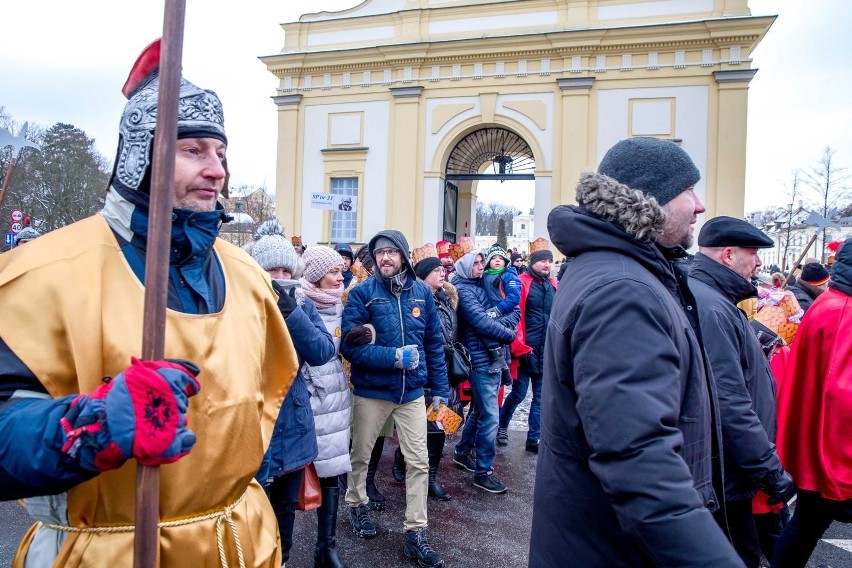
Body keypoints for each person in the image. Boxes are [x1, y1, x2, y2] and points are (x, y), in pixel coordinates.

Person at [0, 39, 297, 566]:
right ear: (140, 156)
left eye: (221, 154)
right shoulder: (44, 275)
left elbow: (263, 403)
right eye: (193, 150)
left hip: (240, 543)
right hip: (105, 549)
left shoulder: (247, 275)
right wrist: (89, 427)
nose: (217, 171)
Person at [530, 137, 743, 566]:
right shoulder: (623, 289)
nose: (699, 206)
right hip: (612, 546)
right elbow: (639, 456)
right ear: (652, 199)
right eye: (688, 191)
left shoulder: (616, 268)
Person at [688, 216, 795, 567]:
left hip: (727, 468)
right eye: (754, 253)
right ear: (729, 255)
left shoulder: (714, 299)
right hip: (725, 473)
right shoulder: (712, 306)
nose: (760, 262)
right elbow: (728, 400)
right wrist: (768, 469)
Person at [340, 230, 449, 568]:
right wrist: (393, 357)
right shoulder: (362, 295)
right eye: (379, 253)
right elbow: (350, 346)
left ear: (403, 255)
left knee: (419, 461)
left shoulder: (421, 293)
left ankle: (416, 532)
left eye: (391, 252)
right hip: (372, 391)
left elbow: (433, 344)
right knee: (360, 454)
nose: (384, 258)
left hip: (413, 393)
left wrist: (441, 390)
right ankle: (356, 504)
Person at [251, 220, 331, 567]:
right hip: (256, 422)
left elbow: (322, 350)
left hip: (295, 422)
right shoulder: (242, 302)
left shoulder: (301, 303)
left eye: (286, 268)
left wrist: (291, 312)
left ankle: (282, 560)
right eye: (272, 269)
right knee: (255, 506)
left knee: (285, 507)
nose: (280, 275)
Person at [771, 237, 852, 568]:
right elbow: (841, 397)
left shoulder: (830, 303)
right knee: (804, 527)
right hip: (835, 456)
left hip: (816, 449)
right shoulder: (842, 311)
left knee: (803, 527)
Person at [298, 245, 353, 568]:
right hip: (306, 394)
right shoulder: (300, 304)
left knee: (331, 472)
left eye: (340, 270)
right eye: (333, 272)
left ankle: (326, 548)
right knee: (294, 474)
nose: (340, 275)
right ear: (316, 277)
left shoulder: (341, 305)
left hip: (334, 396)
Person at [392, 255, 460, 501]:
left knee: (442, 427)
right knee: (422, 428)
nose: (442, 273)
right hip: (423, 373)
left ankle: (431, 476)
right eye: (436, 270)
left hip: (444, 374)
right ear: (422, 275)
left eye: (444, 270)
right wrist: (440, 349)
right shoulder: (414, 301)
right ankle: (402, 455)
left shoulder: (447, 300)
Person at [452, 250, 520, 494]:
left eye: (483, 262)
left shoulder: (483, 283)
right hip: (480, 359)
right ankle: (483, 472)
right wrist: (509, 333)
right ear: (467, 266)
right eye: (477, 263)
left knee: (481, 409)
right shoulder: (464, 288)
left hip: (492, 355)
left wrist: (503, 320)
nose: (481, 266)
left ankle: (462, 451)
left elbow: (514, 310)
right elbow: (480, 322)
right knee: (491, 416)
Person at [496, 245, 557, 454]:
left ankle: (534, 438)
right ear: (533, 263)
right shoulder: (522, 283)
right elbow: (516, 317)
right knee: (519, 393)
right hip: (525, 350)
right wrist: (520, 348)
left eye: (549, 261)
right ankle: (502, 426)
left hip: (545, 350)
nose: (547, 264)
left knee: (540, 396)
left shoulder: (553, 285)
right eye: (543, 260)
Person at [481, 244, 521, 377]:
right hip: (492, 311)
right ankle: (503, 366)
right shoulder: (485, 276)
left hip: (509, 312)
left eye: (500, 258)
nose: (497, 260)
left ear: (505, 261)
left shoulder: (509, 275)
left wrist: (498, 310)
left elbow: (514, 297)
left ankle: (500, 360)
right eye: (493, 258)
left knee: (492, 329)